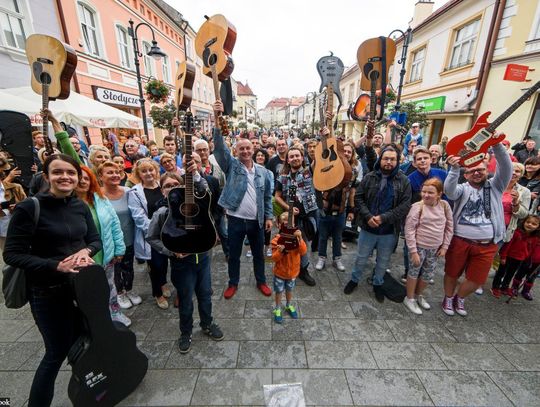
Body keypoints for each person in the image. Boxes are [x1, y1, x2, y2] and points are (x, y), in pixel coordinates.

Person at [3, 154, 101, 407]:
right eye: (58, 172)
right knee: (55, 352)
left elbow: (94, 240)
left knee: (87, 340)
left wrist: (85, 251)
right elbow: (12, 254)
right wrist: (55, 265)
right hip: (47, 292)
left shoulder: (79, 205)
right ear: (46, 177)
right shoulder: (30, 207)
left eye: (71, 172)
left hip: (82, 288)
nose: (65, 177)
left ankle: (93, 387)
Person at [147, 171, 223, 353]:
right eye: (167, 185)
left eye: (176, 184)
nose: (172, 188)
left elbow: (208, 193)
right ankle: (186, 332)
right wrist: (170, 251)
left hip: (203, 260)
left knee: (205, 295)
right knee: (186, 300)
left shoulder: (197, 204)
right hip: (181, 265)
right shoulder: (163, 212)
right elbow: (151, 237)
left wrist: (195, 172)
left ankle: (207, 323)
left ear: (183, 187)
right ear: (162, 190)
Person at [443, 136, 512, 316]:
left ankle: (460, 297)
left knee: (476, 279)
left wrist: (496, 144)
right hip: (460, 240)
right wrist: (454, 169)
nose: (477, 173)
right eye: (472, 170)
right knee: (452, 273)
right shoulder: (463, 188)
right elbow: (449, 191)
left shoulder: (495, 187)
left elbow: (506, 168)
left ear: (486, 171)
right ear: (465, 175)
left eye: (480, 170)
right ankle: (448, 298)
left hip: (487, 244)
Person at [212, 100, 274, 299]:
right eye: (241, 149)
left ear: (253, 150)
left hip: (256, 221)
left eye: (248, 148)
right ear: (236, 152)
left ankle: (261, 281)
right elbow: (220, 148)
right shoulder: (232, 166)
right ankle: (233, 283)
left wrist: (269, 217)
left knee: (258, 254)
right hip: (236, 220)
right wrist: (217, 118)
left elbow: (266, 197)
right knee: (234, 255)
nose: (245, 151)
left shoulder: (263, 172)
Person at [344, 145, 412, 300]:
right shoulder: (370, 176)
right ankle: (354, 280)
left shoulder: (404, 180)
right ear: (381, 159)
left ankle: (377, 284)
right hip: (368, 228)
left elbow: (404, 206)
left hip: (388, 231)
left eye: (392, 159)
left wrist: (383, 218)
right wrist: (368, 216)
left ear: (397, 161)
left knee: (383, 261)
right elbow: (359, 198)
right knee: (361, 258)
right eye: (386, 158)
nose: (389, 162)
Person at [76, 166, 130, 326]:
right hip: (82, 259)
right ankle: (95, 320)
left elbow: (114, 224)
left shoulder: (100, 199)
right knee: (88, 291)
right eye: (80, 177)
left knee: (109, 287)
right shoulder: (67, 205)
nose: (82, 181)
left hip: (105, 253)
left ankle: (115, 314)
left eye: (86, 178)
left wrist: (119, 248)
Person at [403, 178, 453, 314]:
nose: (426, 195)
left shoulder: (444, 206)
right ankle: (409, 298)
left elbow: (449, 227)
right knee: (413, 272)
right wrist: (413, 251)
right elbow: (409, 230)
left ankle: (418, 295)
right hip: (418, 246)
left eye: (430, 192)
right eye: (423, 191)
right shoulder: (417, 207)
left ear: (439, 194)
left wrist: (445, 247)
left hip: (435, 248)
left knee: (428, 274)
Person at [128, 158, 171, 309]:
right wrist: (155, 231)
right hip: (151, 236)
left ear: (156, 170)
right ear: (138, 174)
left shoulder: (163, 185)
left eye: (151, 169)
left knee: (165, 261)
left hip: (168, 233)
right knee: (155, 265)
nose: (148, 173)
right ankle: (157, 293)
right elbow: (139, 216)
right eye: (144, 171)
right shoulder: (135, 192)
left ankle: (164, 283)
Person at [98, 160, 142, 309]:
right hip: (110, 241)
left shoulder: (129, 192)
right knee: (115, 269)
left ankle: (129, 289)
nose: (115, 175)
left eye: (117, 172)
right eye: (110, 172)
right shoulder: (97, 195)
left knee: (128, 267)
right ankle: (119, 293)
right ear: (100, 176)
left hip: (128, 238)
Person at [274, 146, 318, 286]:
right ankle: (288, 268)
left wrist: (326, 136)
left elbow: (319, 158)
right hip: (290, 218)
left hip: (308, 216)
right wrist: (289, 208)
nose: (295, 158)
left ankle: (303, 270)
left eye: (297, 155)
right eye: (291, 156)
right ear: (287, 160)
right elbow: (277, 197)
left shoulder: (308, 172)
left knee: (303, 243)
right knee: (288, 242)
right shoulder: (282, 177)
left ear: (302, 157)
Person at [315, 140, 359, 272]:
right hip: (325, 211)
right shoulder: (329, 167)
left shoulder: (353, 172)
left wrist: (351, 210)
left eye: (349, 152)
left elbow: (351, 193)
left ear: (352, 155)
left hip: (341, 211)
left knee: (338, 237)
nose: (346, 153)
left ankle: (337, 258)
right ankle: (322, 257)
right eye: (343, 151)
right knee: (322, 236)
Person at [491, 214, 540, 297]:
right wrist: (503, 256)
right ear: (524, 222)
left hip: (519, 259)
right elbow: (507, 245)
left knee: (510, 274)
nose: (530, 225)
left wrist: (526, 257)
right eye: (528, 222)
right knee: (501, 272)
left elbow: (530, 249)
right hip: (508, 257)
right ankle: (495, 287)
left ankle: (504, 287)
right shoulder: (516, 233)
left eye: (534, 224)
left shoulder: (534, 238)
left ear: (538, 227)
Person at [271, 212, 307, 323]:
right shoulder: (276, 239)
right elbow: (273, 258)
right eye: (285, 220)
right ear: (279, 224)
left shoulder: (297, 238)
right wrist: (280, 251)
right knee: (279, 290)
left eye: (290, 220)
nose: (287, 223)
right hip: (280, 272)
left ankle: (288, 305)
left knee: (290, 289)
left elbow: (303, 251)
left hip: (292, 272)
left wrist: (300, 238)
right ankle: (277, 308)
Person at [0, 157, 26, 251]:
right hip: (3, 233)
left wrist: (18, 208)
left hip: (20, 231)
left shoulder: (16, 188)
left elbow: (28, 208)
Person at [253, 148, 274, 257]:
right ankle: (256, 248)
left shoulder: (268, 172)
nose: (260, 157)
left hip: (264, 202)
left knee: (267, 226)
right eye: (258, 155)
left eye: (262, 156)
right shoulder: (250, 170)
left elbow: (270, 189)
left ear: (265, 158)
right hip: (253, 204)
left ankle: (267, 246)